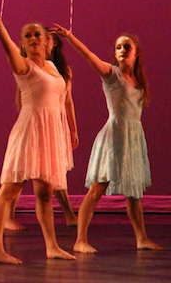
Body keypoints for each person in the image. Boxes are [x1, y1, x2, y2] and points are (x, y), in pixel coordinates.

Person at [50, 25, 162, 253]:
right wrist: (70, 36)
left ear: (136, 52)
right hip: (114, 138)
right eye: (118, 47)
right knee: (96, 190)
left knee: (134, 194)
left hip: (133, 139)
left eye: (126, 47)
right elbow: (89, 56)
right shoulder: (112, 74)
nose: (121, 50)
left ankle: (141, 238)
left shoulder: (139, 82)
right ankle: (80, 239)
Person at [0, 5, 75, 264]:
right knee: (9, 190)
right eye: (28, 36)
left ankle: (52, 246)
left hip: (50, 133)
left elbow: (64, 100)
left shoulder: (55, 68)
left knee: (45, 192)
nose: (33, 39)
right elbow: (9, 49)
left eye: (37, 35)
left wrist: (71, 131)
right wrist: (0, 28)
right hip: (30, 131)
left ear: (47, 41)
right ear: (22, 43)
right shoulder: (24, 67)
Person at [5, 32, 78, 231]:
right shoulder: (29, 67)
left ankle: (67, 217)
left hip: (56, 122)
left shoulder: (59, 69)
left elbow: (68, 101)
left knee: (54, 171)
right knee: (21, 174)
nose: (41, 41)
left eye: (45, 38)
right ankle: (7, 218)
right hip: (38, 120)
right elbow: (21, 97)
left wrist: (72, 128)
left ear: (52, 44)